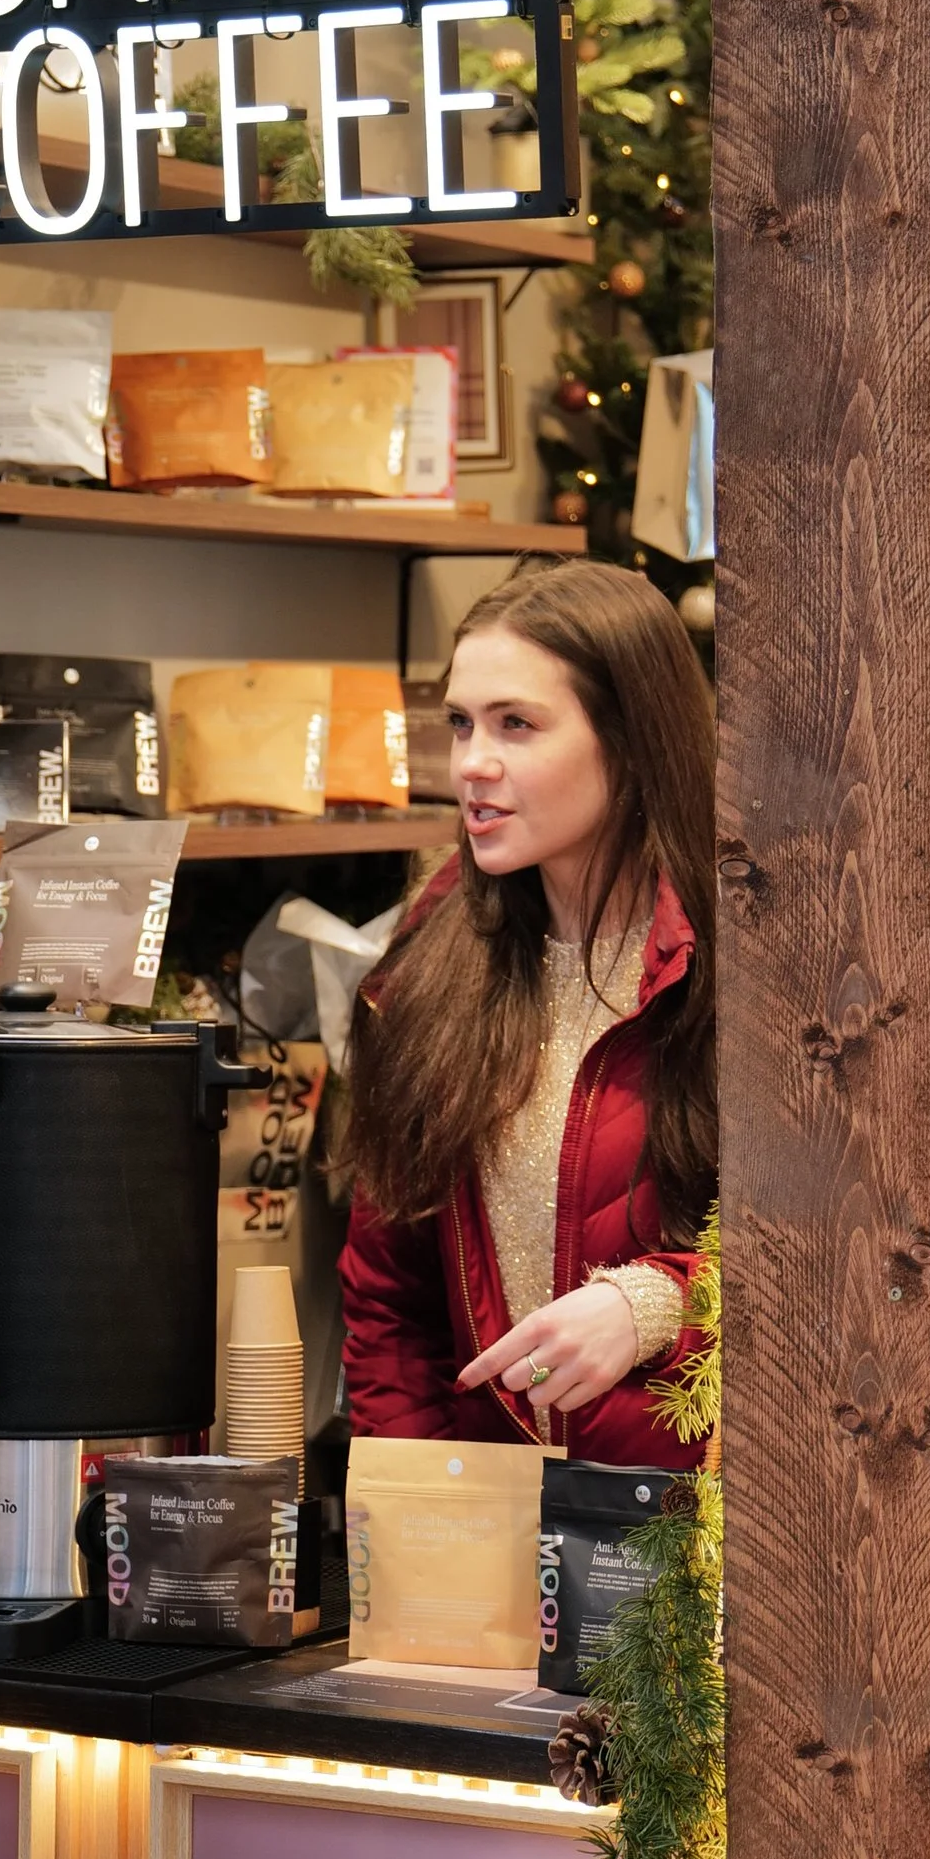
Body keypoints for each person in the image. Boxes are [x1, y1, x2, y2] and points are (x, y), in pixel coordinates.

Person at [338, 559, 715, 1465]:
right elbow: (390, 1302)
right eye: (461, 724)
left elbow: (838, 1262)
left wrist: (655, 1303)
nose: (473, 763)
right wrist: (426, 1513)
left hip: (705, 1534)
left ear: (629, 740)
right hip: (490, 1528)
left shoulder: (745, 966)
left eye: (518, 725)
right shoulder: (427, 975)